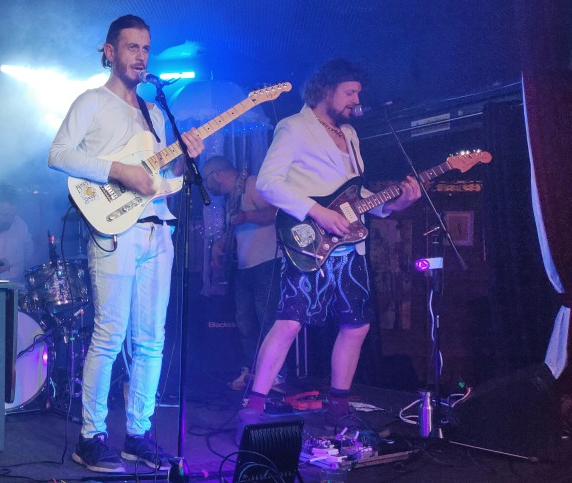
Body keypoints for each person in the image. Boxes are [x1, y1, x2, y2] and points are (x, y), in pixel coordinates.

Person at [48, 15, 204, 473]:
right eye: (132, 47)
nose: (140, 56)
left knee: (151, 341)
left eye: (145, 49)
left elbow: (163, 182)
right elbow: (58, 154)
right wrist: (117, 169)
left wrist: (186, 160)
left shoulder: (155, 114)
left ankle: (138, 433)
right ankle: (90, 436)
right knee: (110, 335)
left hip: (159, 229)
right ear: (110, 51)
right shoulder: (92, 101)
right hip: (115, 229)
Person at [240, 59, 421, 436]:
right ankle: (254, 404)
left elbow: (358, 195)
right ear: (325, 90)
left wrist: (395, 203)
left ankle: (339, 407)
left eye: (358, 93)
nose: (356, 100)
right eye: (349, 92)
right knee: (289, 322)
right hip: (309, 241)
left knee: (357, 325)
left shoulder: (351, 135)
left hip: (349, 249)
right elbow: (268, 185)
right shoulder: (293, 127)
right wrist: (318, 212)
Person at [201, 156, 281, 391]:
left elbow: (277, 211)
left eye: (207, 181)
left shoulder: (253, 184)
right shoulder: (232, 199)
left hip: (267, 264)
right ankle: (251, 371)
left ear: (216, 175)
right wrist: (219, 247)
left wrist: (248, 216)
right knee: (245, 323)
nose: (207, 187)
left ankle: (275, 376)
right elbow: (235, 230)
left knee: (268, 322)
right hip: (245, 268)